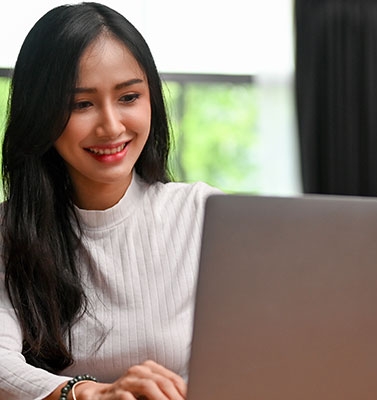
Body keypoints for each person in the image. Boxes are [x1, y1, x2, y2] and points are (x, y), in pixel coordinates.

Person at [0, 2, 221, 399]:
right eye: (81, 104)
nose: (111, 126)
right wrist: (89, 394)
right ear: (41, 114)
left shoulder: (207, 215)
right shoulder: (8, 232)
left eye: (129, 97)